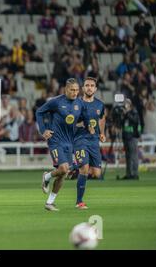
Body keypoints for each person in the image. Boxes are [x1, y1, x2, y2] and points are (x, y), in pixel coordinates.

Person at [37, 78, 90, 211]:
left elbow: (84, 118)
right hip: (55, 140)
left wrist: (88, 125)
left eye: (77, 90)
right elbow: (39, 112)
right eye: (72, 90)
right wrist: (43, 130)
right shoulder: (56, 102)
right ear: (65, 89)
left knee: (63, 174)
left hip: (69, 141)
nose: (75, 93)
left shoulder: (80, 103)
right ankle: (47, 176)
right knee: (64, 168)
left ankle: (49, 202)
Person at [72, 77, 106, 209]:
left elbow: (102, 118)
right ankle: (79, 201)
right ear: (83, 88)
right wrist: (84, 125)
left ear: (95, 89)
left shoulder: (99, 105)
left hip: (94, 141)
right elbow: (71, 122)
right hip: (80, 139)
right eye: (87, 85)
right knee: (85, 169)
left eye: (92, 85)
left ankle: (74, 167)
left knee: (97, 173)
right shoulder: (76, 104)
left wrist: (102, 133)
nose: (89, 87)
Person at [118, 98, 141, 180]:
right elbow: (121, 124)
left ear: (130, 105)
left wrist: (127, 113)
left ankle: (135, 174)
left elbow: (135, 120)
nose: (125, 105)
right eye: (124, 103)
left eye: (127, 103)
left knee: (133, 155)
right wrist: (122, 115)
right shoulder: (125, 113)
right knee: (128, 156)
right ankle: (129, 174)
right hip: (126, 137)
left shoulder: (134, 112)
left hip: (133, 137)